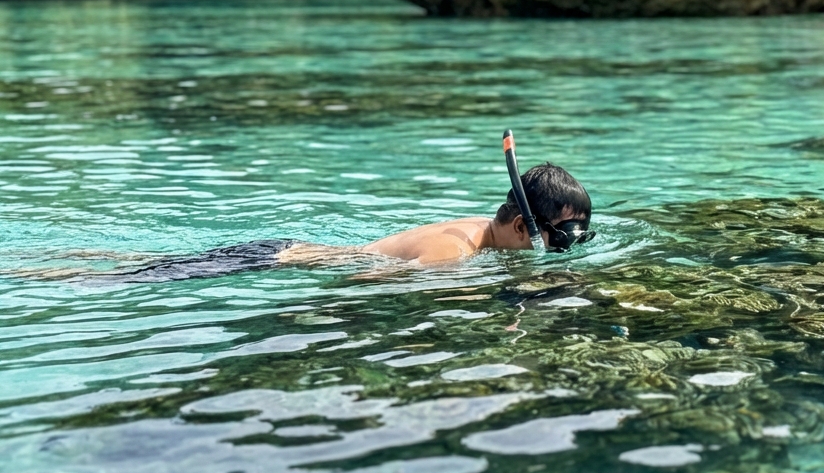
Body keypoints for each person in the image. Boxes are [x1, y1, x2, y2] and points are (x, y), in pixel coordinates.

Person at [99, 163, 595, 282]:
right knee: (118, 279)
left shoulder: (478, 233)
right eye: (561, 240)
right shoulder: (456, 252)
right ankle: (41, 273)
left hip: (280, 252)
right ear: (523, 228)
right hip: (274, 262)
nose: (562, 251)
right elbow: (363, 280)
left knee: (140, 265)